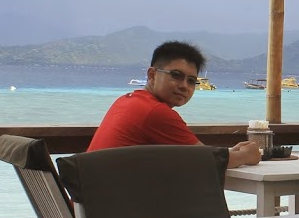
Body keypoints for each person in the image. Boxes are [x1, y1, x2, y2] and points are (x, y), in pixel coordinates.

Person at [88, 41, 260, 166]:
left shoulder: (127, 101)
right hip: (111, 211)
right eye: (176, 75)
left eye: (192, 80)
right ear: (152, 75)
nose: (184, 86)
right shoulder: (154, 112)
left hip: (90, 208)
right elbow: (207, 162)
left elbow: (199, 155)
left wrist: (230, 153)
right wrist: (245, 156)